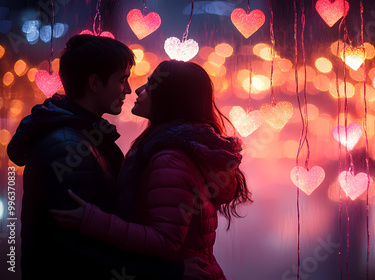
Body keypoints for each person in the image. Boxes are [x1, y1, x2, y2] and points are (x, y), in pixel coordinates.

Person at [50, 60, 253, 279]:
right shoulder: (177, 149)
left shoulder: (171, 159)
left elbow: (166, 242)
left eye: (150, 85)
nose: (137, 90)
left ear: (171, 98)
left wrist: (93, 220)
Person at [7, 35, 184, 279]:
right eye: (122, 80)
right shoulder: (68, 148)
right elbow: (77, 254)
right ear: (94, 83)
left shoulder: (83, 137)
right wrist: (171, 272)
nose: (129, 89)